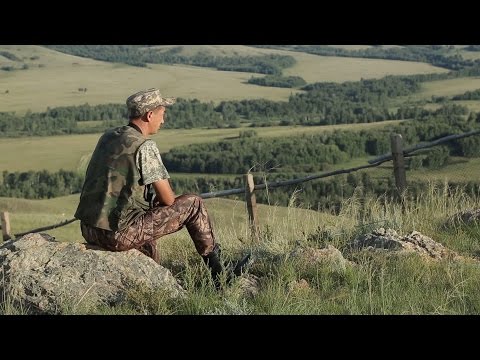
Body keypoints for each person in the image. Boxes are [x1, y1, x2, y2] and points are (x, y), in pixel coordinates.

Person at [74, 88, 250, 288]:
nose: (163, 120)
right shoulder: (144, 146)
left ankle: (153, 283)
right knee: (193, 204)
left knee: (147, 228)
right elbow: (168, 199)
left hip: (89, 228)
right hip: (117, 234)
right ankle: (220, 272)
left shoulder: (108, 136)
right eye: (162, 114)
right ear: (149, 115)